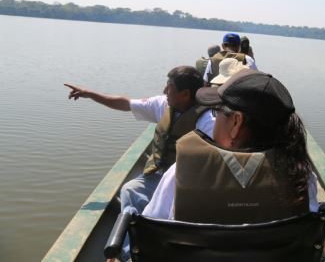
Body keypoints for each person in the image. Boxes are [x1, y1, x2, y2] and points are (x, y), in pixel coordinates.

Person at [143, 69, 318, 224]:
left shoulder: (181, 171)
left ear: (236, 122)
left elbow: (152, 230)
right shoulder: (301, 179)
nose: (214, 119)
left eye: (216, 111)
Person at [64, 66, 214, 215]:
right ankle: (136, 231)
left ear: (185, 94)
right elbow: (125, 104)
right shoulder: (163, 105)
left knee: (143, 197)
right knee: (130, 190)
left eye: (169, 88)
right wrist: (89, 94)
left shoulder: (207, 122)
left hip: (186, 183)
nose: (164, 91)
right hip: (158, 175)